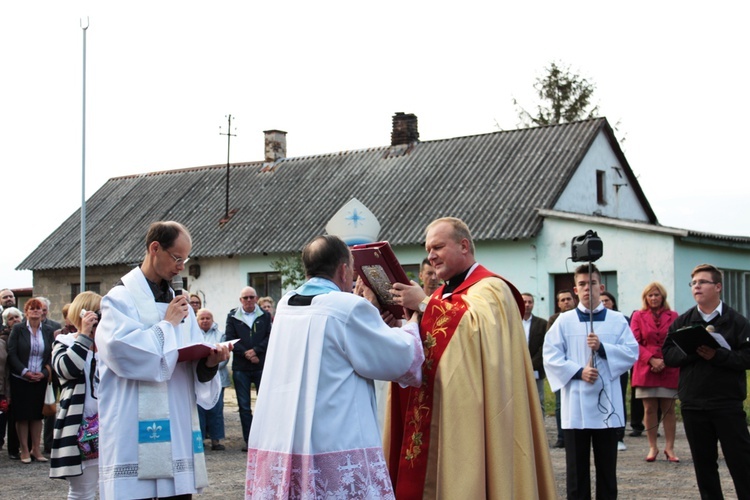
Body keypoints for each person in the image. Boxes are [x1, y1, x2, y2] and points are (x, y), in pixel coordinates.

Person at [244, 234, 424, 498]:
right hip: (335, 438)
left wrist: (369, 310)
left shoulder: (286, 303)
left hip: (286, 437)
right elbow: (400, 357)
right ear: (343, 270)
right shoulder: (348, 307)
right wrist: (414, 319)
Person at [387, 217, 555, 499]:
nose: (431, 256)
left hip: (478, 413)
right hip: (439, 409)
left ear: (464, 245)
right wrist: (403, 322)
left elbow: (475, 332)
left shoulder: (492, 289)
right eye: (428, 249)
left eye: (438, 247)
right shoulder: (441, 294)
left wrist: (425, 304)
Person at [96, 220, 229, 499]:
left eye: (185, 259)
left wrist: (209, 362)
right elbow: (121, 353)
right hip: (132, 427)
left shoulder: (181, 305)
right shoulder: (119, 299)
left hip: (177, 424)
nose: (181, 267)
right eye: (177, 258)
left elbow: (190, 359)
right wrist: (166, 326)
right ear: (155, 248)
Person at [543, 264, 638, 500]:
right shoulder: (564, 321)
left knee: (607, 470)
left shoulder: (617, 320)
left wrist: (603, 348)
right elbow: (551, 356)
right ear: (576, 289)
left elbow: (631, 352)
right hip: (575, 405)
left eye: (592, 283)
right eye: (582, 284)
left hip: (606, 405)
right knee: (576, 471)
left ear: (601, 287)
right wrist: (578, 372)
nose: (587, 289)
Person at [663, 264, 750, 499]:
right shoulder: (683, 322)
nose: (697, 286)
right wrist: (693, 350)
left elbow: (747, 357)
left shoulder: (737, 322)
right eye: (693, 283)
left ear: (718, 287)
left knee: (741, 462)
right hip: (694, 404)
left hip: (727, 404)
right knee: (704, 466)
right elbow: (668, 356)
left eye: (703, 282)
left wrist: (718, 355)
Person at [49, 291, 102, 499]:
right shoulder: (64, 343)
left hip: (111, 424)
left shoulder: (107, 343)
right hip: (79, 427)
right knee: (82, 491)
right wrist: (84, 336)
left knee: (113, 487)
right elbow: (68, 369)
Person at [629, 282, 679, 463]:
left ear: (663, 297)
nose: (654, 298)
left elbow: (676, 340)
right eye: (650, 295)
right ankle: (652, 447)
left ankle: (670, 448)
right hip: (645, 367)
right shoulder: (638, 316)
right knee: (649, 409)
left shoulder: (673, 316)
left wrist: (665, 360)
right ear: (645, 298)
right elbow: (634, 342)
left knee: (669, 410)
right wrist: (651, 359)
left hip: (669, 366)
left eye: (657, 295)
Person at [7, 297, 55, 463]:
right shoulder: (18, 329)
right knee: (22, 415)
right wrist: (25, 371)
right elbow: (11, 353)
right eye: (32, 308)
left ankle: (36, 449)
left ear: (43, 311)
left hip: (40, 379)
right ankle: (24, 450)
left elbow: (50, 354)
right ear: (26, 312)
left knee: (37, 415)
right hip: (21, 379)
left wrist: (43, 372)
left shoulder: (48, 330)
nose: (35, 311)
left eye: (38, 308)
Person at [225, 286, 272, 449]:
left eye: (251, 297)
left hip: (260, 365)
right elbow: (230, 339)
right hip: (241, 367)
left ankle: (264, 440)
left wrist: (256, 351)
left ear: (256, 298)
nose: (249, 300)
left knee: (264, 405)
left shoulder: (265, 316)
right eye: (245, 298)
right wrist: (246, 353)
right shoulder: (232, 317)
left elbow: (270, 337)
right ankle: (250, 441)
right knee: (244, 407)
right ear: (240, 300)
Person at [196, 308, 229, 451]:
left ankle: (216, 440)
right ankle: (200, 439)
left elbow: (224, 357)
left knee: (216, 409)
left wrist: (212, 365)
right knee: (199, 410)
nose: (205, 321)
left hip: (218, 376)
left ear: (213, 320)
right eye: (202, 318)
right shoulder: (193, 335)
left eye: (208, 318)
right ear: (197, 321)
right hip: (198, 378)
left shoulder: (220, 335)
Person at [600, 291, 630, 452]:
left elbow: (629, 347)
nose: (604, 303)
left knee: (617, 399)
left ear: (613, 303)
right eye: (601, 300)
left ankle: (618, 435)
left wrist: (605, 349)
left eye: (607, 300)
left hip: (616, 367)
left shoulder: (620, 320)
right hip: (596, 369)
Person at [548, 289, 576, 448]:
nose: (566, 302)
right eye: (563, 300)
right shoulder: (554, 320)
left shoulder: (581, 317)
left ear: (574, 300)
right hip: (562, 366)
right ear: (558, 304)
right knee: (560, 404)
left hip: (580, 367)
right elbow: (551, 343)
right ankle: (562, 437)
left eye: (569, 299)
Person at [1, 306, 22, 455]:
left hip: (14, 382)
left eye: (17, 317)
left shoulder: (26, 335)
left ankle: (17, 448)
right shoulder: (3, 340)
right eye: (11, 318)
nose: (14, 320)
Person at [522, 292, 549, 413]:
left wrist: (531, 364)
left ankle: (540, 431)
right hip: (516, 368)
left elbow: (544, 346)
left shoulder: (542, 323)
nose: (527, 305)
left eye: (530, 302)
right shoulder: (511, 322)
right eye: (524, 302)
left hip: (536, 368)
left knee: (538, 402)